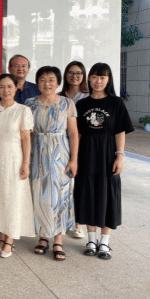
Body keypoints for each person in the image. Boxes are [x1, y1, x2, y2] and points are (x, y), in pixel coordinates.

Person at [75, 63, 134, 260]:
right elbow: (77, 135)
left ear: (108, 80)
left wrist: (120, 156)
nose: (98, 81)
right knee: (88, 194)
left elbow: (120, 132)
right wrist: (74, 158)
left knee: (109, 195)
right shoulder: (81, 104)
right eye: (94, 76)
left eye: (102, 77)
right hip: (86, 156)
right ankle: (91, 240)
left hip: (108, 156)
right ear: (89, 78)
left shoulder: (116, 103)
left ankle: (105, 242)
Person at [25, 66, 79, 261]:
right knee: (40, 196)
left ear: (58, 82)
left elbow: (73, 133)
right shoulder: (30, 103)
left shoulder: (67, 103)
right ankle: (42, 237)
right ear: (37, 82)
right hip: (37, 153)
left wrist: (74, 159)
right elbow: (26, 133)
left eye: (51, 80)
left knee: (59, 197)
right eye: (42, 79)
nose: (46, 84)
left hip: (60, 154)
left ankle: (58, 240)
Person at [0, 74, 35, 258]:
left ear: (16, 88)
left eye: (10, 86)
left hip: (14, 159)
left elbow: (26, 139)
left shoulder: (23, 110)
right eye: (2, 87)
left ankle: (10, 240)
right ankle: (2, 238)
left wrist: (26, 163)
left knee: (13, 198)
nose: (6, 90)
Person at [60, 60, 90, 238]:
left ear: (83, 75)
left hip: (83, 145)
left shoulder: (88, 97)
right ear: (65, 75)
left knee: (80, 185)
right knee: (63, 185)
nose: (75, 76)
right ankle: (61, 219)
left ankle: (78, 223)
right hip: (61, 145)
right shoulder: (59, 96)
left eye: (78, 73)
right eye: (71, 72)